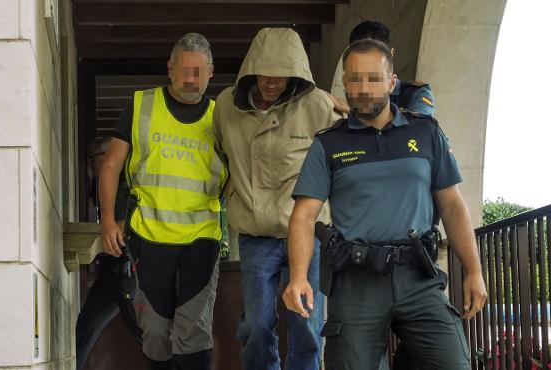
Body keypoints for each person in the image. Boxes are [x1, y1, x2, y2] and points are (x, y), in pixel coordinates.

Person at [283, 39, 487, 370]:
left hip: (418, 277)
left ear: (392, 83)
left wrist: (474, 271)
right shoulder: (328, 144)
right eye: (355, 79)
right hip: (355, 282)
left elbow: (452, 206)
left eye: (374, 78)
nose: (364, 88)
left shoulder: (427, 133)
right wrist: (298, 277)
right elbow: (304, 216)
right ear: (345, 83)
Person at [213, 28, 340, 370]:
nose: (271, 83)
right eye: (264, 75)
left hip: (307, 233)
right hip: (256, 235)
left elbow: (360, 135)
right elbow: (217, 155)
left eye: (282, 76)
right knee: (256, 325)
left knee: (308, 325)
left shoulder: (317, 105)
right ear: (250, 71)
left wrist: (343, 107)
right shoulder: (225, 105)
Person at [99, 33, 228, 370]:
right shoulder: (142, 105)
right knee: (155, 331)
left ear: (211, 72)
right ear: (170, 68)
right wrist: (108, 220)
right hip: (150, 236)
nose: (191, 79)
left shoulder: (221, 118)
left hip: (202, 237)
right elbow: (111, 165)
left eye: (199, 72)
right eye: (185, 71)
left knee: (193, 330)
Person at [76, 138, 141, 370]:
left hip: (126, 268)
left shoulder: (126, 184)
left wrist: (105, 230)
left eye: (93, 160)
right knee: (85, 329)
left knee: (145, 334)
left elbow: (132, 225)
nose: (91, 166)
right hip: (109, 270)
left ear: (107, 155)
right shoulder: (103, 188)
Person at [330, 20, 435, 117]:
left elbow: (418, 126)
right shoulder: (346, 95)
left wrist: (356, 111)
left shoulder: (415, 93)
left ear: (391, 54)